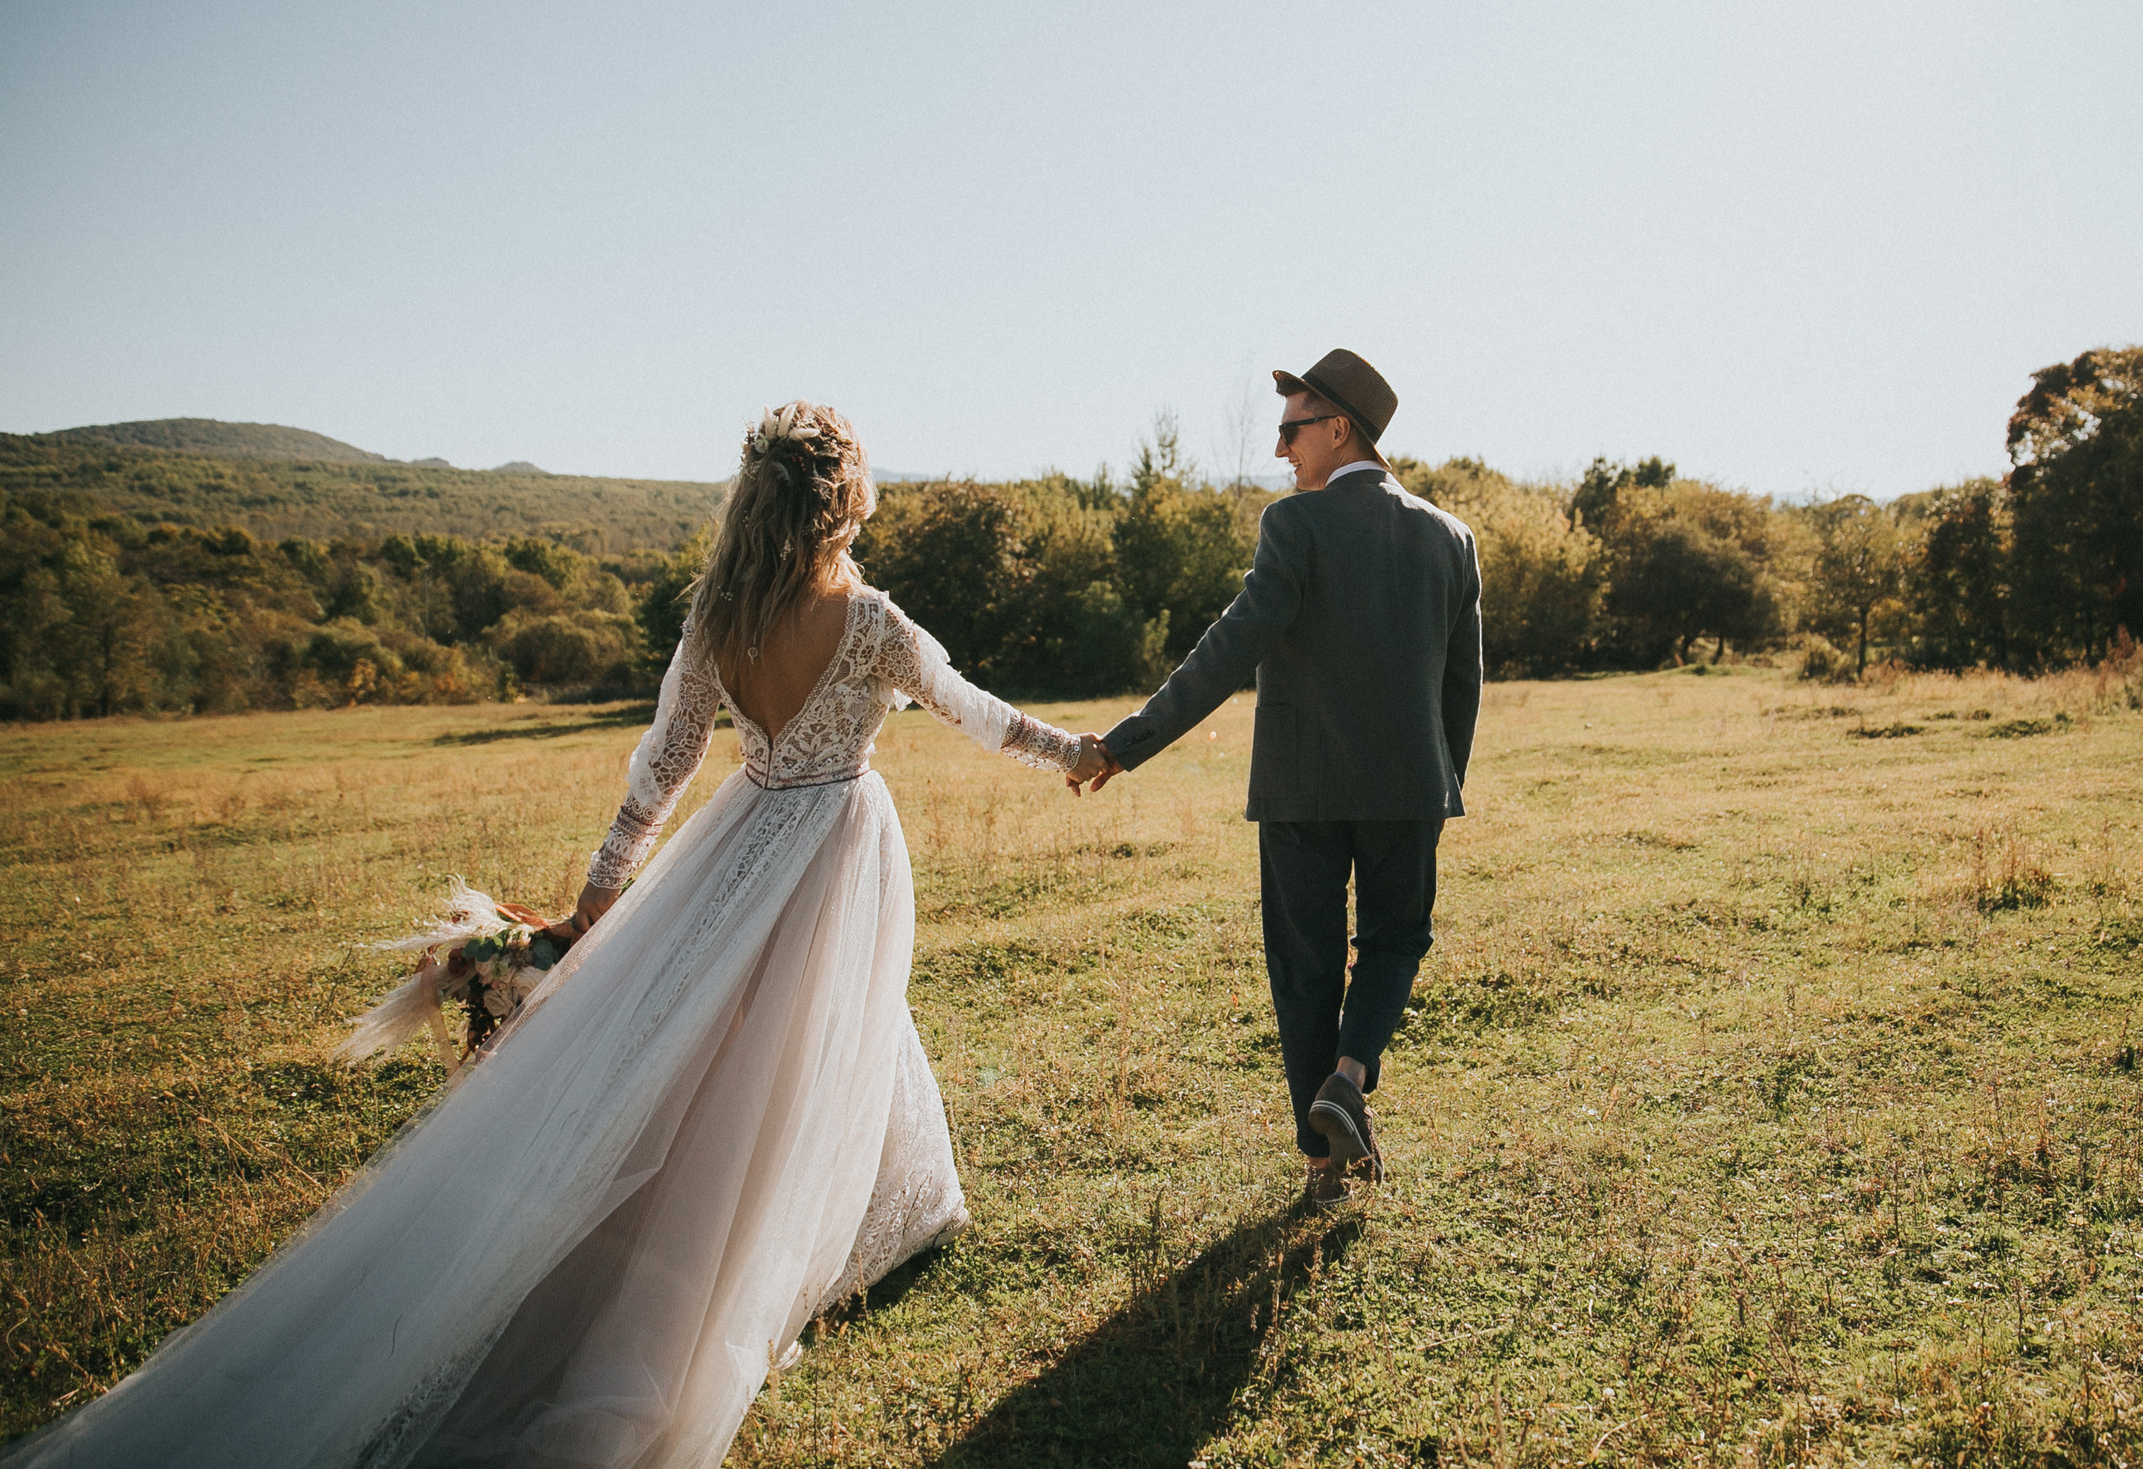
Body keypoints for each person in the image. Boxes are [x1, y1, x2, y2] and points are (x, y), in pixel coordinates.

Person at [7, 403, 1094, 1469]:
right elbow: (975, 712)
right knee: (819, 1031)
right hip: (837, 843)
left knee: (753, 1040)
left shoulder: (721, 615)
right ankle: (777, 1250)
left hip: (742, 839)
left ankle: (892, 1197)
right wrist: (1076, 751)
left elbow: (656, 781)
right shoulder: (872, 623)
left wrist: (595, 904)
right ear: (846, 505)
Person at [1069, 350, 1483, 1203]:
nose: (1282, 449)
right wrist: (1442, 782)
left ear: (1340, 430)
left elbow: (1226, 652)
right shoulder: (1452, 537)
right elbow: (1461, 684)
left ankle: (1323, 1165)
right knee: (1396, 940)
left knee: (1304, 965)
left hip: (1300, 791)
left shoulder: (1295, 527)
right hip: (1411, 787)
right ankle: (1350, 1077)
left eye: (1293, 430)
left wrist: (1125, 743)